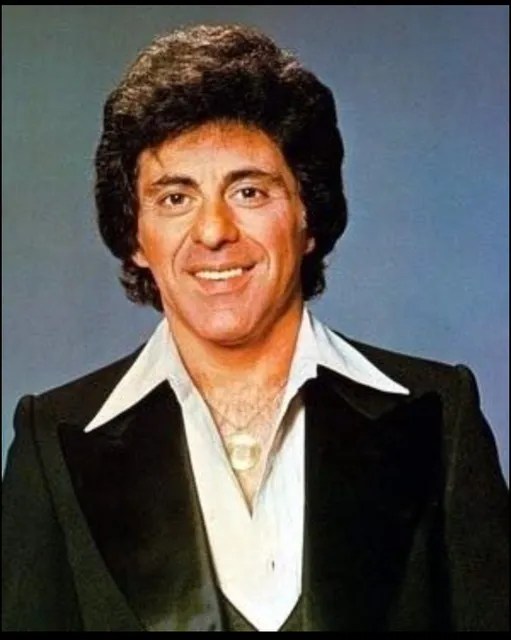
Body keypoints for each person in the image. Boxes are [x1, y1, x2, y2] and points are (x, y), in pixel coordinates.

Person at [2, 23, 508, 632]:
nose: (214, 231)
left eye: (248, 191)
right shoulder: (54, 440)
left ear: (308, 216)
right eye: (175, 198)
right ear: (135, 237)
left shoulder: (439, 415)